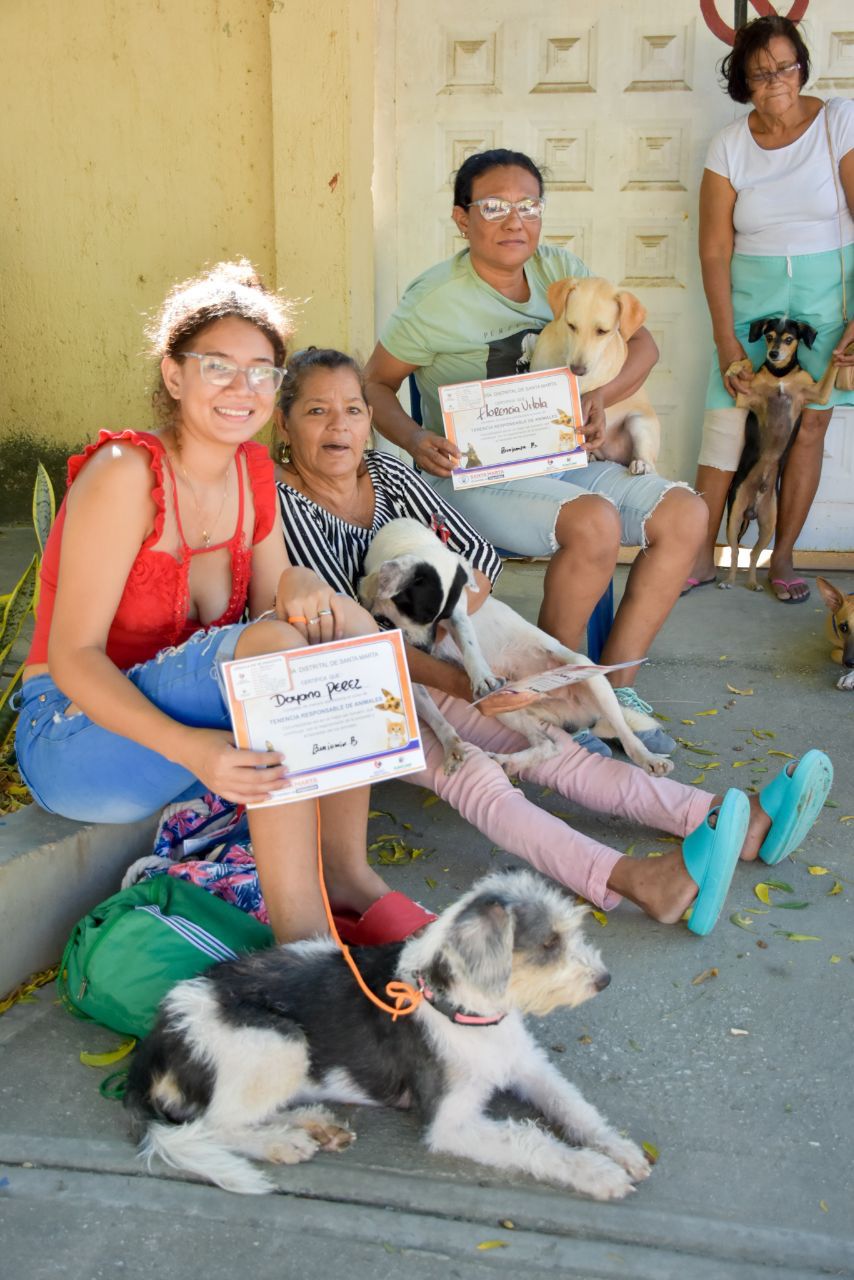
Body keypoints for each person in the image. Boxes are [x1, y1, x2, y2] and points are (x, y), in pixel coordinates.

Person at [272, 346, 832, 935]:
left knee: (558, 750)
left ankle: (721, 819)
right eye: (317, 411)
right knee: (478, 778)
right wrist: (463, 677)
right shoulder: (283, 507)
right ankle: (637, 880)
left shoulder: (388, 475)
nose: (341, 426)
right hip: (374, 688)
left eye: (355, 409)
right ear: (284, 423)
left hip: (461, 653)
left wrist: (465, 638)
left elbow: (477, 561)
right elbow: (354, 640)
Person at [14, 261, 434, 947]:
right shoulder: (125, 474)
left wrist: (299, 584)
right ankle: (305, 951)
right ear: (175, 375)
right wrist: (196, 751)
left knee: (346, 631)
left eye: (264, 371)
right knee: (276, 651)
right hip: (74, 732)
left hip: (173, 729)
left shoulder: (253, 471)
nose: (245, 389)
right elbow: (71, 658)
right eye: (219, 367)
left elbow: (277, 600)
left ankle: (347, 874)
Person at [363, 147, 709, 759]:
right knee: (594, 522)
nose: (514, 220)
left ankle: (611, 697)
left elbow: (642, 342)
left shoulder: (560, 269)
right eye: (494, 206)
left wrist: (603, 396)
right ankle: (552, 697)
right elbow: (374, 384)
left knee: (686, 515)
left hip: (560, 457)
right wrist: (417, 439)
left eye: (529, 205)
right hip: (470, 475)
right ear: (461, 217)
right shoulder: (434, 299)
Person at [686, 15, 854, 603]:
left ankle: (782, 557)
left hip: (826, 298)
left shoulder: (839, 120)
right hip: (752, 296)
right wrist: (727, 338)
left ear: (802, 65)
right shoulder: (730, 144)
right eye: (760, 74)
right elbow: (713, 246)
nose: (776, 80)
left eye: (785, 66)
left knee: (808, 428)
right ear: (743, 84)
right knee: (727, 424)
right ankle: (702, 554)